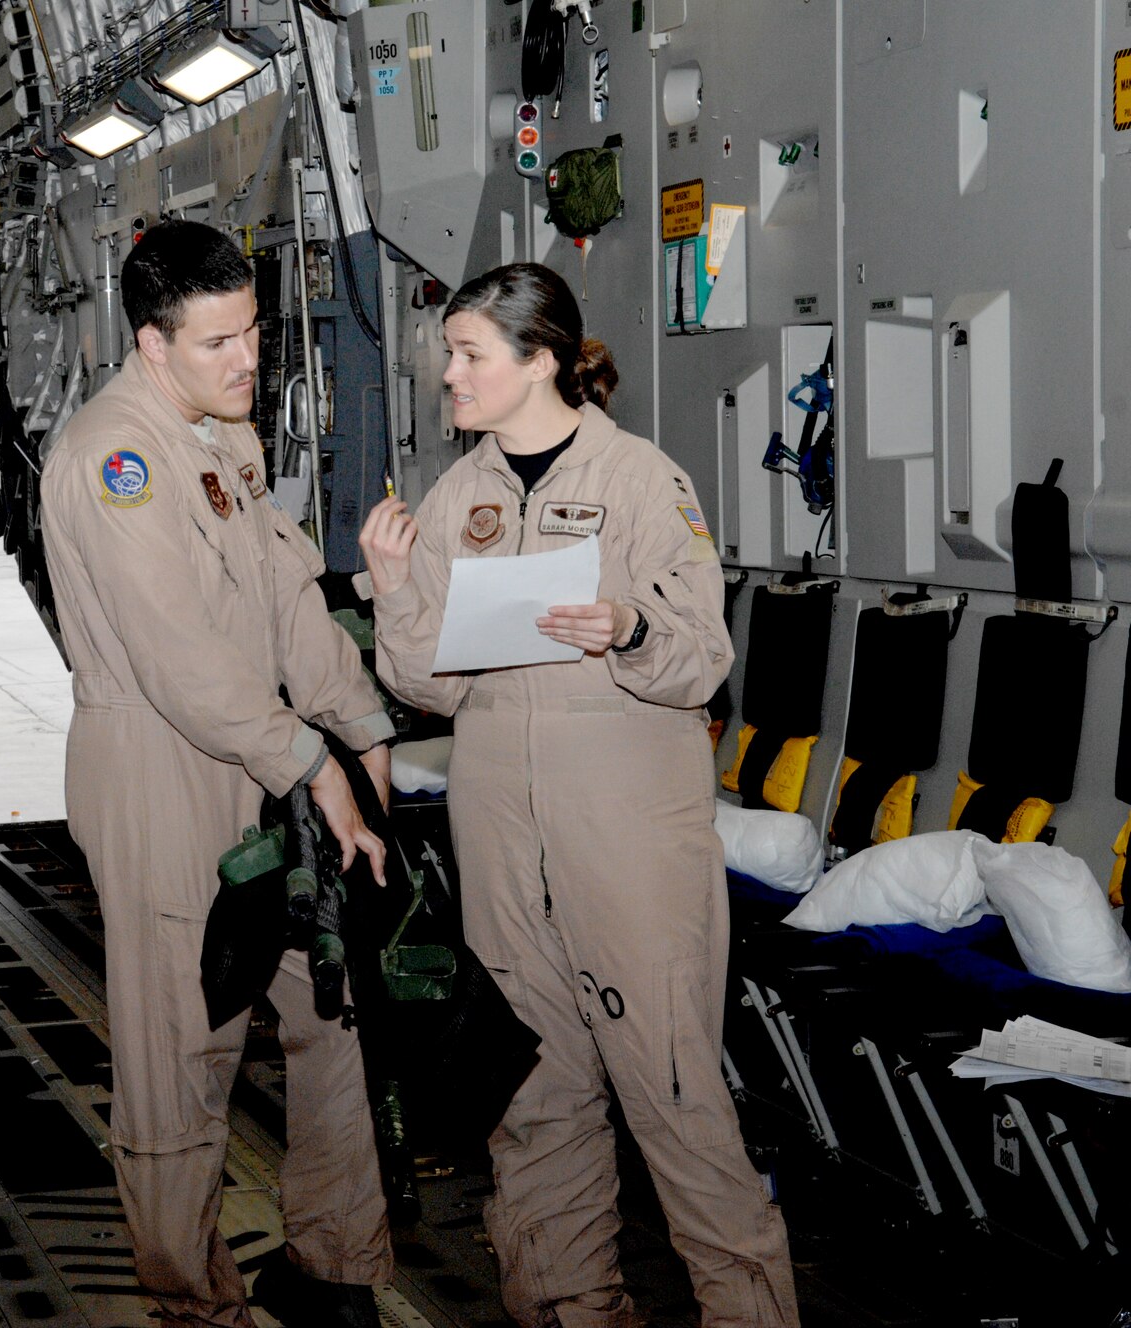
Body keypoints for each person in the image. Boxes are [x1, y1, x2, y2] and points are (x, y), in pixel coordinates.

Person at [358, 263, 800, 1327]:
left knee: (672, 1098)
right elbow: (428, 686)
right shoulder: (455, 496)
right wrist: (392, 591)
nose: (447, 375)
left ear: (541, 359)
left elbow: (700, 660)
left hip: (625, 843)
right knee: (532, 1097)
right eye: (447, 354)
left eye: (468, 355)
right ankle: (569, 1310)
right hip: (503, 846)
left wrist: (629, 628)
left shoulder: (643, 481)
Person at [40, 220, 397, 1328]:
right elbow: (177, 654)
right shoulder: (117, 455)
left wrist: (358, 719)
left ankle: (332, 1264)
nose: (248, 360)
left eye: (252, 331)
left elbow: (288, 601)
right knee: (181, 1053)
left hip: (256, 755)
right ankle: (193, 1300)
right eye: (217, 343)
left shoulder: (225, 440)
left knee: (330, 1009)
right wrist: (309, 761)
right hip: (159, 766)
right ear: (152, 345)